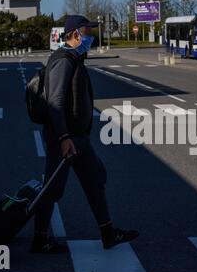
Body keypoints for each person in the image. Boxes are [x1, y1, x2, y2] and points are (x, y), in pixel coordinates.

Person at [31, 15, 139, 253]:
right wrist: (63, 137)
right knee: (53, 188)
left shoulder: (75, 58)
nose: (92, 37)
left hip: (77, 137)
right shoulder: (63, 60)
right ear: (77, 34)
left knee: (95, 179)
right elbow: (55, 101)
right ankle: (40, 238)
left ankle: (108, 233)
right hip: (66, 138)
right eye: (89, 32)